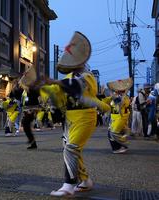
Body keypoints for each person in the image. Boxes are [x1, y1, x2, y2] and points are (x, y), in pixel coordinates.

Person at [43, 32, 110, 197]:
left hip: (85, 117)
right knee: (72, 149)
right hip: (70, 118)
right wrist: (41, 86)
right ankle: (85, 181)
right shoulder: (68, 77)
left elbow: (78, 87)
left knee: (71, 149)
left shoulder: (87, 76)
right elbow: (56, 92)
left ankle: (69, 185)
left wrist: (56, 83)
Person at [105, 78, 132, 154]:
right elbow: (107, 100)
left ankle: (123, 145)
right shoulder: (117, 96)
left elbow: (118, 102)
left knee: (113, 133)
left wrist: (110, 92)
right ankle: (118, 147)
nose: (116, 91)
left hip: (120, 118)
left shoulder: (124, 98)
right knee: (111, 133)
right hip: (114, 118)